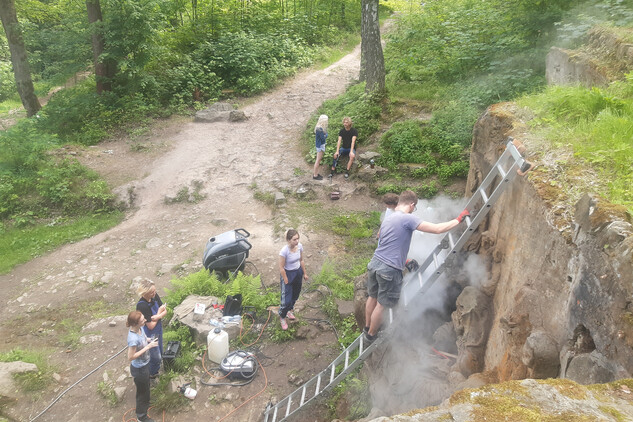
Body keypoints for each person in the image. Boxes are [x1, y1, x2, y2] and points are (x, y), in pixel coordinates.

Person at [364, 190, 470, 343]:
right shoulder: (408, 219)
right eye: (415, 207)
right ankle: (371, 335)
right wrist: (459, 220)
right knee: (381, 305)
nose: (414, 210)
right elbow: (437, 229)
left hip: (375, 263)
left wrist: (405, 261)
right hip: (388, 269)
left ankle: (367, 327)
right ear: (412, 204)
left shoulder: (390, 217)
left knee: (372, 297)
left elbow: (386, 242)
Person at [127, 310, 159, 422]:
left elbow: (143, 339)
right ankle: (141, 417)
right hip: (139, 369)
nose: (145, 320)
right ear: (135, 324)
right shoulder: (133, 339)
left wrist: (149, 340)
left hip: (145, 365)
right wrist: (148, 347)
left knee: (146, 386)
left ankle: (147, 401)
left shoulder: (140, 329)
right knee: (142, 392)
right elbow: (130, 357)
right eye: (142, 320)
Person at [136, 279, 167, 379]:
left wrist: (157, 317)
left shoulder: (154, 295)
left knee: (160, 351)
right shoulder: (142, 305)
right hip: (149, 333)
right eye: (151, 292)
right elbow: (150, 326)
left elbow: (165, 310)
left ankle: (154, 370)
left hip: (158, 329)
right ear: (144, 293)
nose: (154, 293)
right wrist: (159, 312)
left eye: (154, 291)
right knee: (155, 356)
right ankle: (151, 374)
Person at [278, 229, 308, 330]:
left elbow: (301, 260)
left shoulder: (299, 246)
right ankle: (282, 316)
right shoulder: (284, 251)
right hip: (288, 274)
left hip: (297, 272)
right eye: (294, 239)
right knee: (286, 299)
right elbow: (281, 267)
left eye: (298, 238)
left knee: (295, 294)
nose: (297, 241)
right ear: (289, 240)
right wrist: (285, 279)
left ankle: (290, 311)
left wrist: (304, 273)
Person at [313, 115, 328, 180]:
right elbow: (323, 139)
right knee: (318, 160)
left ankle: (316, 173)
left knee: (318, 160)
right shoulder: (320, 129)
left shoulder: (318, 127)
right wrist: (326, 135)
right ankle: (315, 175)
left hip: (319, 145)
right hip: (320, 146)